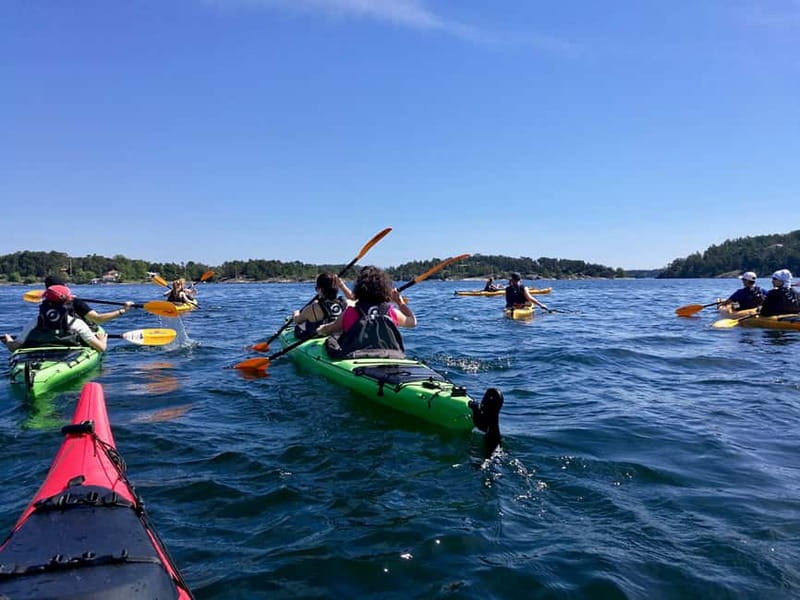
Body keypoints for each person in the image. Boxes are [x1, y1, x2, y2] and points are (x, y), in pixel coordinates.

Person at [318, 266, 416, 359]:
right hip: (391, 356)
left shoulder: (350, 312)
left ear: (359, 288)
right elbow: (413, 322)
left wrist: (321, 329)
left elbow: (330, 329)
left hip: (355, 357)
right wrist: (400, 302)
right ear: (385, 288)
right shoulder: (391, 312)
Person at [2, 285, 108, 352]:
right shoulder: (76, 323)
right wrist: (102, 340)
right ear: (68, 303)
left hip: (38, 357)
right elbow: (101, 348)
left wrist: (8, 340)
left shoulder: (36, 322)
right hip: (67, 357)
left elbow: (14, 347)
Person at [44, 274, 135, 323]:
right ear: (64, 286)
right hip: (73, 336)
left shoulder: (45, 304)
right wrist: (123, 310)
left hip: (51, 337)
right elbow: (98, 319)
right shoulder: (75, 302)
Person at [293, 273, 354, 340]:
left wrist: (296, 313)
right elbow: (354, 299)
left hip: (318, 336)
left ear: (320, 290)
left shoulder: (312, 308)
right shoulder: (346, 303)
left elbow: (297, 320)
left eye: (316, 288)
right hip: (338, 335)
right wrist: (342, 286)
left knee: (299, 326)